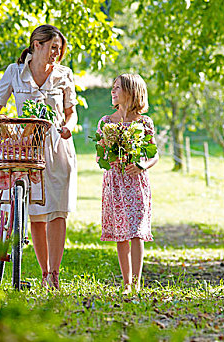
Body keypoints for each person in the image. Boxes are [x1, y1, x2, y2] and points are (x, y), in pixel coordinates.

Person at [0, 25, 78, 289]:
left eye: (60, 50)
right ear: (36, 45)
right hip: (27, 150)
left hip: (57, 149)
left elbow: (71, 112)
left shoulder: (64, 75)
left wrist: (69, 125)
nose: (56, 54)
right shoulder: (15, 72)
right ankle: (44, 269)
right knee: (35, 213)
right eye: (52, 48)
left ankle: (53, 276)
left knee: (57, 211)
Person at [97, 74, 159, 294]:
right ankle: (126, 283)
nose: (112, 92)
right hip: (114, 183)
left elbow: (154, 154)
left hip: (136, 183)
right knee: (121, 232)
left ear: (131, 92)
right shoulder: (106, 122)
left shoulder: (144, 122)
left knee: (136, 232)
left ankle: (137, 282)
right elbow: (99, 155)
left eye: (117, 88)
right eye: (112, 88)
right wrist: (106, 155)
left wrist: (142, 165)